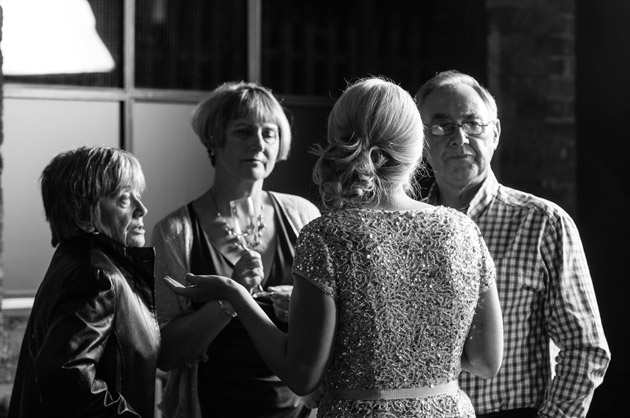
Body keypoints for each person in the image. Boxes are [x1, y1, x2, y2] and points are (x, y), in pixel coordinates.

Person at [162, 76, 504, 418]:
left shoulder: (326, 235)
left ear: (338, 141)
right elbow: (487, 361)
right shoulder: (464, 230)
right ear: (417, 147)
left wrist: (236, 295)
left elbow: (303, 376)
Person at [414, 69, 611, 418]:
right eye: (441, 126)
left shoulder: (543, 222)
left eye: (473, 123)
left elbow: (586, 348)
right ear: (420, 141)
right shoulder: (407, 228)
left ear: (495, 134)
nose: (459, 138)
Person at [152, 81, 321, 418]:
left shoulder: (304, 217)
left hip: (298, 410)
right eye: (244, 131)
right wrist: (229, 298)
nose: (258, 143)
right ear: (214, 138)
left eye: (269, 134)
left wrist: (302, 306)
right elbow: (167, 352)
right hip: (211, 407)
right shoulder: (175, 232)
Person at [7, 146, 160, 418]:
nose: (142, 209)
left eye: (139, 195)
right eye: (124, 198)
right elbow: (66, 376)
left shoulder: (76, 261)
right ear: (83, 212)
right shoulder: (97, 275)